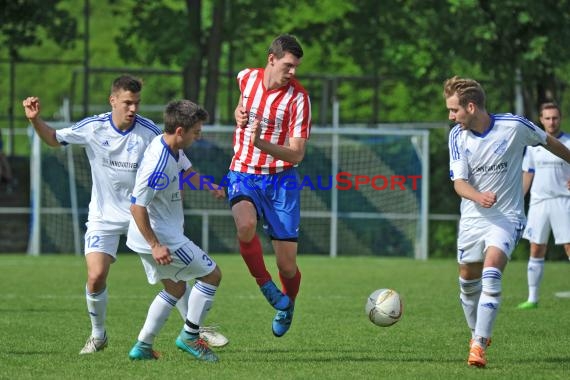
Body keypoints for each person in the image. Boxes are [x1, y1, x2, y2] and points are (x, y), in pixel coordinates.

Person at [22, 75, 227, 355]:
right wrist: (35, 120)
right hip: (106, 216)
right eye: (128, 103)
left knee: (175, 281)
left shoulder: (148, 131)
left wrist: (208, 186)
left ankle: (193, 331)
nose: (133, 109)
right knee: (96, 276)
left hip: (141, 216)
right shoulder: (94, 127)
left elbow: (183, 165)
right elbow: (55, 139)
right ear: (113, 101)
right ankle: (98, 336)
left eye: (137, 103)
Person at [444, 76, 570, 368]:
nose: (451, 116)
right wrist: (478, 196)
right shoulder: (457, 137)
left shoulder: (513, 126)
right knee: (467, 280)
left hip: (507, 217)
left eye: (454, 110)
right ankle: (477, 334)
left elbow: (549, 142)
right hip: (473, 219)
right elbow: (459, 184)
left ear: (471, 107)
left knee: (491, 272)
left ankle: (478, 346)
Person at [127, 99, 222, 362]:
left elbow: (187, 170)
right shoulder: (157, 164)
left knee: (176, 288)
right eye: (196, 132)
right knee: (212, 275)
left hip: (151, 236)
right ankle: (190, 337)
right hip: (160, 237)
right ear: (180, 131)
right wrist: (156, 245)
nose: (199, 136)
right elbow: (137, 206)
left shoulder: (172, 147)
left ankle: (143, 346)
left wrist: (209, 186)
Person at [229, 34, 311, 337]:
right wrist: (238, 110)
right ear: (271, 59)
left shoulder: (298, 98)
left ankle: (288, 304)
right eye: (288, 65)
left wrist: (261, 142)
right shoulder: (246, 78)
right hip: (243, 173)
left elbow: (298, 152)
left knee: (287, 265)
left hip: (282, 181)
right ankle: (265, 284)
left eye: (296, 67)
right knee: (245, 225)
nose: (293, 73)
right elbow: (241, 102)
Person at [517, 102, 570, 310]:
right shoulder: (534, 144)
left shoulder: (568, 142)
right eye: (547, 118)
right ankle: (532, 298)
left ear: (560, 118)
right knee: (536, 248)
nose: (551, 121)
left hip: (563, 201)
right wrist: (519, 197)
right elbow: (528, 172)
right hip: (539, 203)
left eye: (555, 117)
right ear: (541, 119)